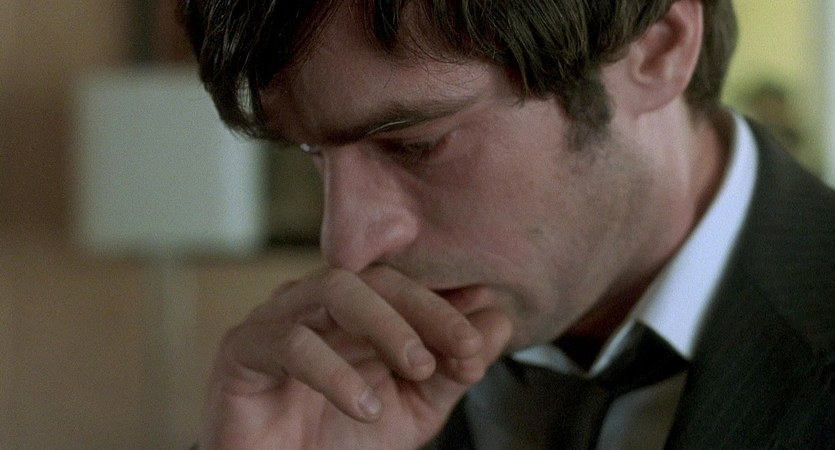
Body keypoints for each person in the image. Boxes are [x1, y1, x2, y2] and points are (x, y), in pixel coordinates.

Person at [178, 0, 835, 448]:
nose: (346, 247)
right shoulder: (339, 398)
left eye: (415, 145)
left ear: (656, 49)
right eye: (312, 155)